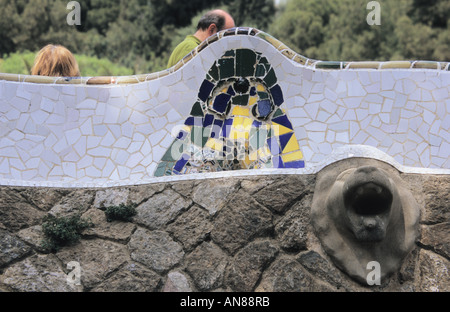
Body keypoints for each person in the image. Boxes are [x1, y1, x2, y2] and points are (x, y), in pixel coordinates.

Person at [167, 9, 235, 68]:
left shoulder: (197, 49)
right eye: (225, 37)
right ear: (212, 29)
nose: (226, 43)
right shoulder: (190, 48)